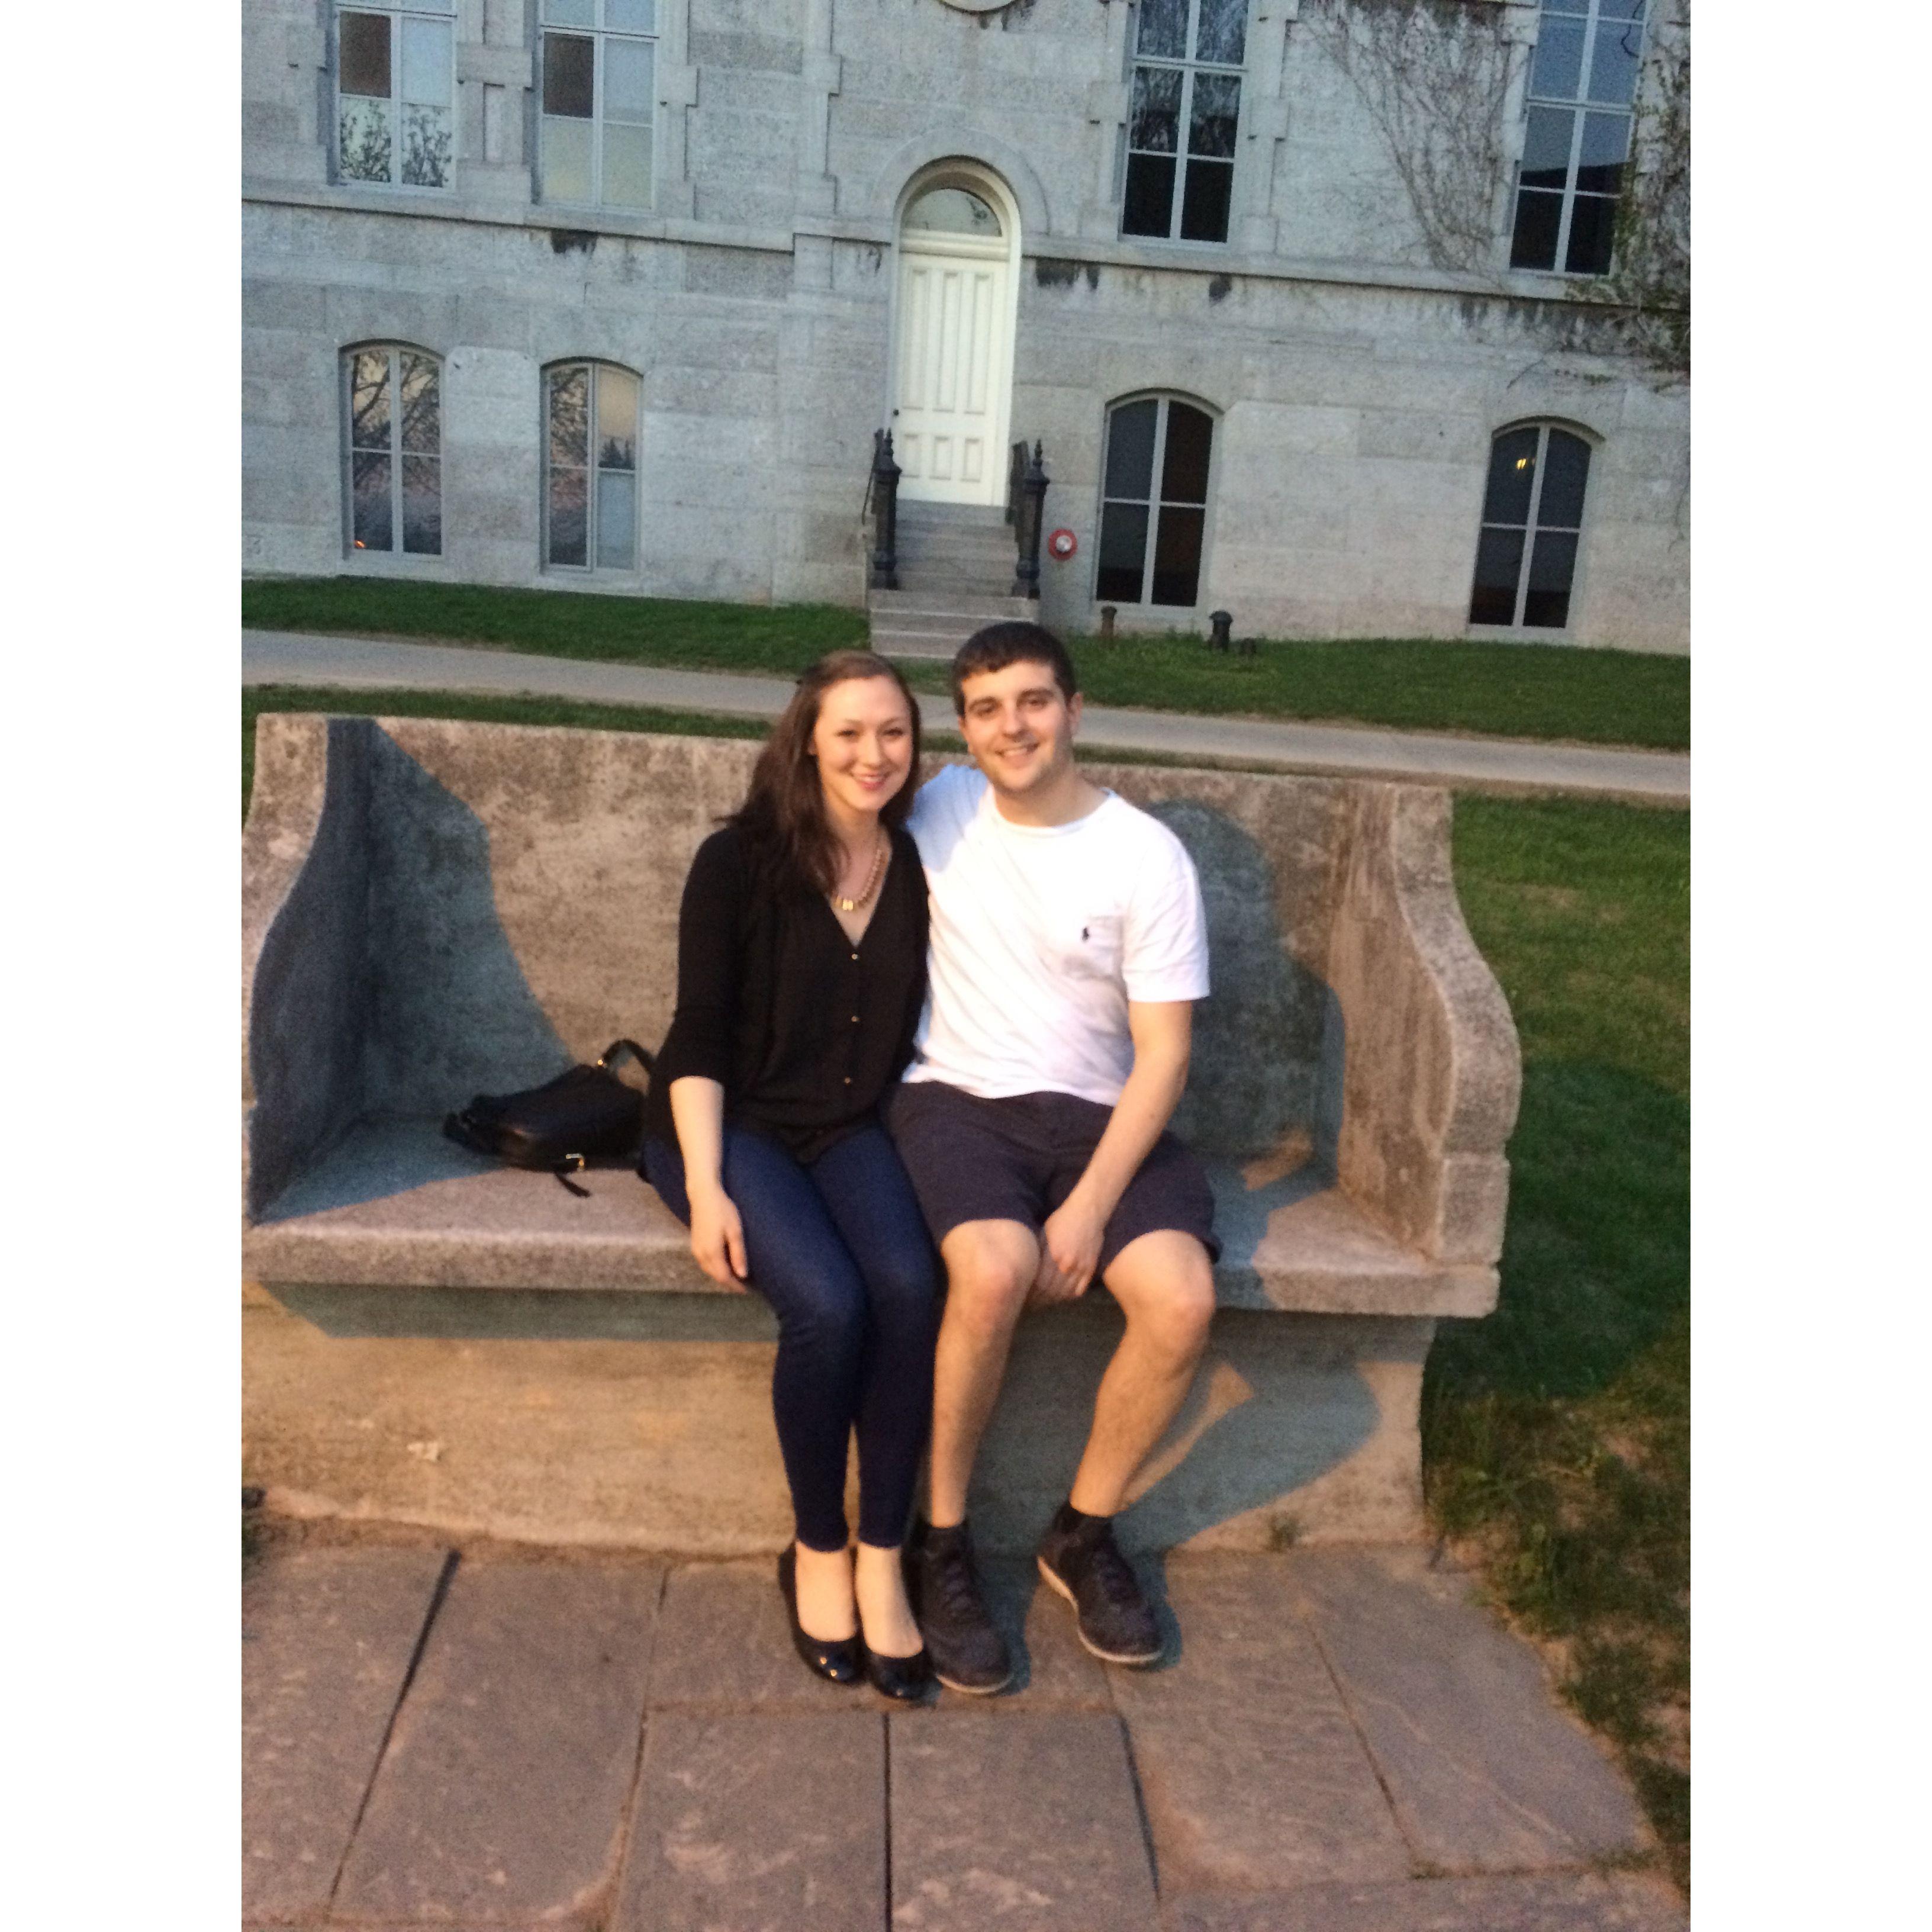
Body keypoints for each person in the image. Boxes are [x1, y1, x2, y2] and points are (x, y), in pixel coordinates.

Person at [887, 622, 1219, 1693]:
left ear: (1075, 711)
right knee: (992, 1269)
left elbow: (1165, 1055)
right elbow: (820, 797)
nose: (1010, 726)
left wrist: (1086, 1209)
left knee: (1179, 1300)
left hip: (1098, 1117)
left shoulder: (1144, 856)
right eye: (985, 709)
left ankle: (1083, 1530)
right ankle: (939, 1541)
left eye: (1031, 701)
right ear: (965, 728)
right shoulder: (937, 809)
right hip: (958, 1101)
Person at [640, 649, 940, 1700]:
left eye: (893, 732)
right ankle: (817, 1547)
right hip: (730, 1126)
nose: (873, 754)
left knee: (911, 1292)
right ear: (806, 738)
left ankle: (883, 1553)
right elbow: (700, 1033)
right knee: (829, 1304)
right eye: (850, 732)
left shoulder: (916, 862)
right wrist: (708, 1186)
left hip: (847, 1130)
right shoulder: (741, 861)